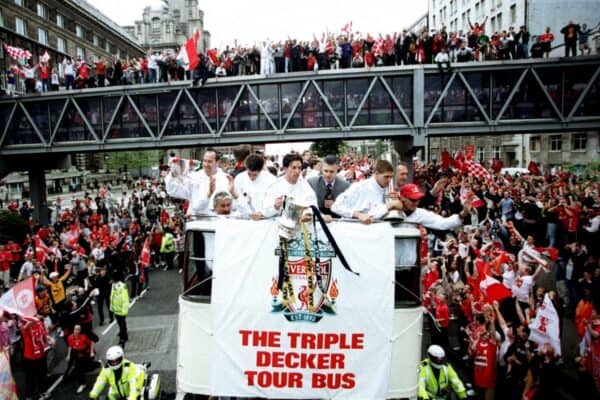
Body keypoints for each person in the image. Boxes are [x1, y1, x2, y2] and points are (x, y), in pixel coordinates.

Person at [331, 159, 403, 224]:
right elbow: (335, 206)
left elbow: (377, 212)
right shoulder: (359, 187)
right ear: (376, 173)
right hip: (354, 232)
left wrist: (394, 204)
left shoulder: (386, 188)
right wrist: (358, 215)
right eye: (386, 177)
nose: (389, 180)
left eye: (391, 177)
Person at [164, 149, 229, 216]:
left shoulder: (225, 179)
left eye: (209, 161)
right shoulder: (194, 177)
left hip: (216, 221)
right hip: (195, 221)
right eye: (204, 161)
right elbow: (172, 191)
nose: (206, 164)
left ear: (217, 162)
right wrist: (172, 175)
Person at [261, 153, 317, 220]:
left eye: (299, 168)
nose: (297, 171)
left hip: (300, 224)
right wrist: (275, 207)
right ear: (285, 169)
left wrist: (306, 213)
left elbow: (313, 206)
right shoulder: (275, 186)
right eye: (294, 168)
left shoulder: (305, 185)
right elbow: (264, 211)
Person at [233, 154, 276, 219]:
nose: (251, 177)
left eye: (255, 175)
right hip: (244, 219)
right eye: (249, 174)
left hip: (265, 219)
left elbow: (274, 204)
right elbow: (235, 203)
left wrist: (262, 214)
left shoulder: (271, 180)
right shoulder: (239, 178)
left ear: (261, 170)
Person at [307, 155, 350, 220]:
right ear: (321, 169)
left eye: (331, 171)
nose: (328, 175)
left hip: (339, 222)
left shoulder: (345, 186)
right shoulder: (312, 183)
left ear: (337, 169)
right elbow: (307, 205)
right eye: (326, 171)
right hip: (317, 220)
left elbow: (348, 208)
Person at [66, 324, 96, 393]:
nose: (76, 331)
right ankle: (83, 384)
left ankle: (97, 364)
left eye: (78, 329)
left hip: (85, 354)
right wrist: (68, 355)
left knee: (89, 367)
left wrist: (91, 352)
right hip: (77, 356)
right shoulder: (70, 337)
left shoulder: (84, 337)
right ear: (73, 329)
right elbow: (70, 346)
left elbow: (92, 342)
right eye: (75, 329)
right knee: (79, 370)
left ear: (80, 330)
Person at [110, 274, 130, 348]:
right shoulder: (113, 285)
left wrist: (124, 311)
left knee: (122, 325)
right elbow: (112, 297)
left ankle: (122, 339)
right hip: (116, 309)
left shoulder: (122, 286)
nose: (111, 280)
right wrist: (112, 307)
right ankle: (125, 335)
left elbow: (125, 299)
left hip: (121, 310)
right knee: (120, 323)